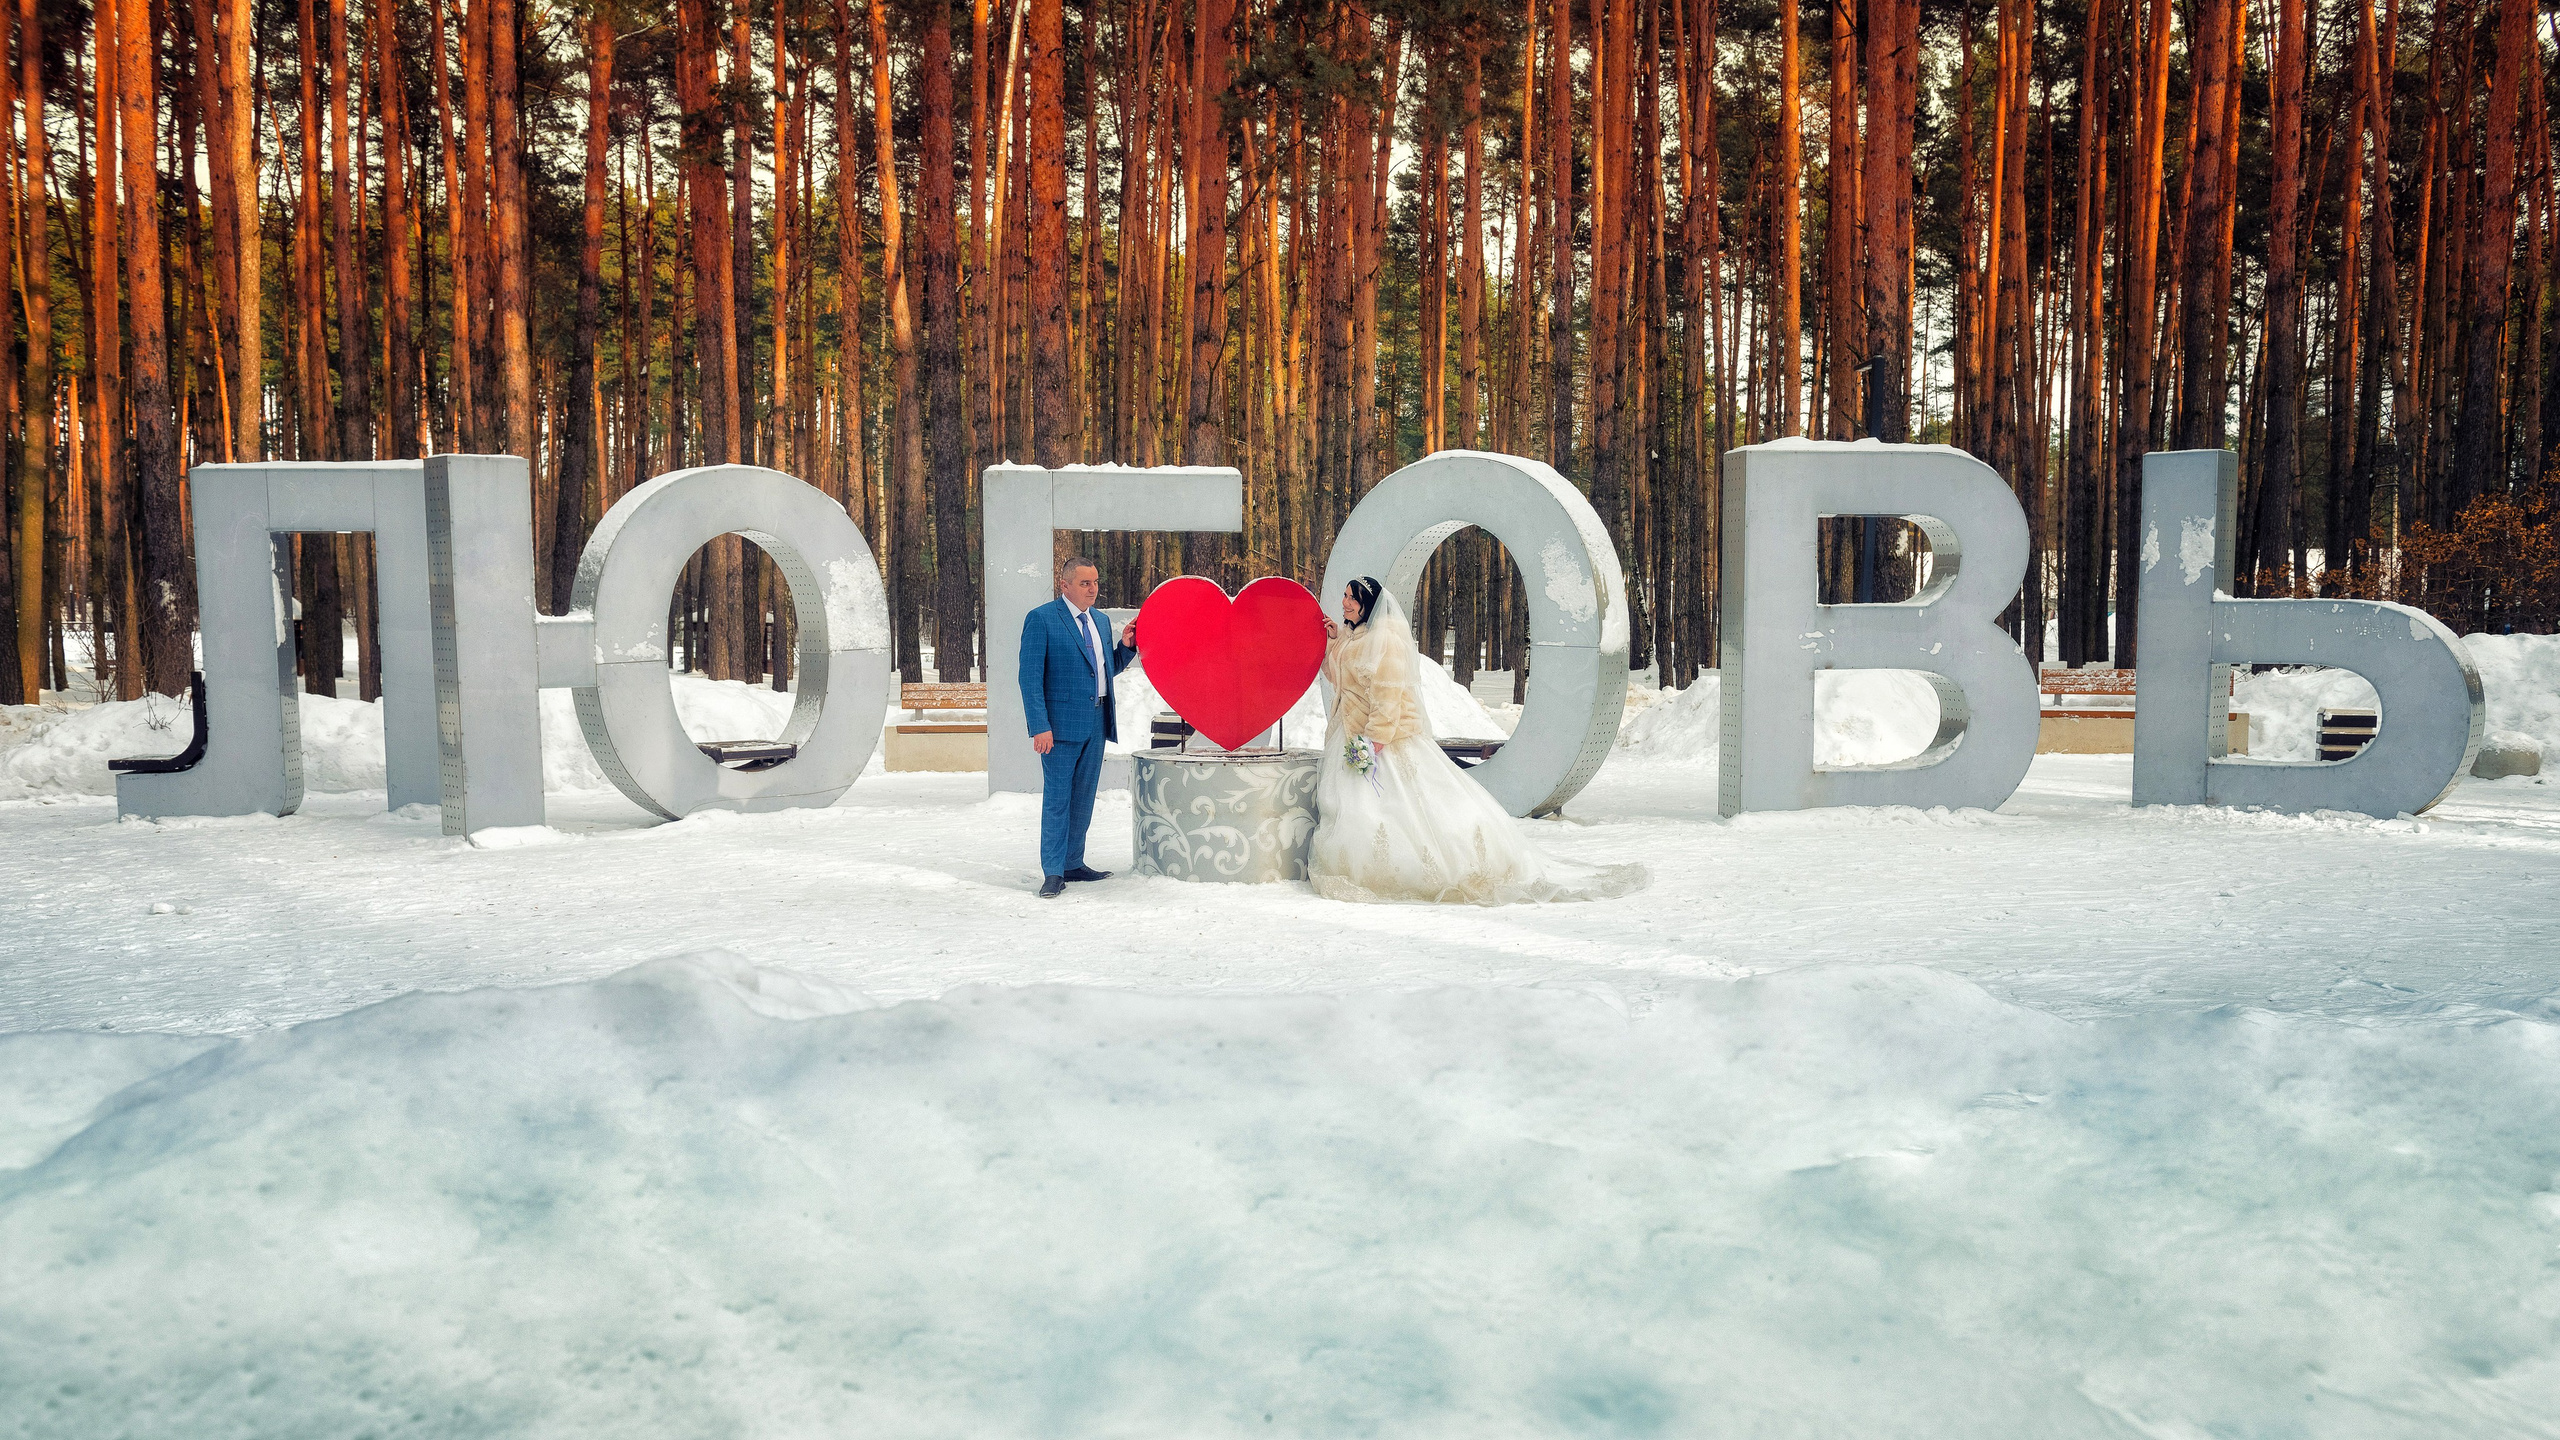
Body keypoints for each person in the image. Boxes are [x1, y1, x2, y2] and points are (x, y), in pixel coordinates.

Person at [1309, 576, 1647, 905]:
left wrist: (1375, 741)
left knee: (1411, 807)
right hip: (1354, 734)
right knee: (1362, 808)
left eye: (1352, 598)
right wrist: (1337, 640)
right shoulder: (1358, 636)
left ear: (1367, 604)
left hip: (1385, 740)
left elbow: (1388, 695)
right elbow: (1343, 680)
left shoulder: (1388, 640)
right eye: (1344, 596)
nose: (1344, 603)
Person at [1020, 555, 1140, 898]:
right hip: (1057, 728)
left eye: (1096, 582)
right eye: (1085, 583)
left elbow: (1102, 670)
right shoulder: (1041, 619)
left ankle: (1074, 863)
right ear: (1065, 585)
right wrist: (1039, 725)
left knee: (1084, 798)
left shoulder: (1100, 621)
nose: (1093, 589)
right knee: (1058, 799)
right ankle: (1053, 872)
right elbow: (1029, 679)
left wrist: (1126, 648)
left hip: (1097, 721)